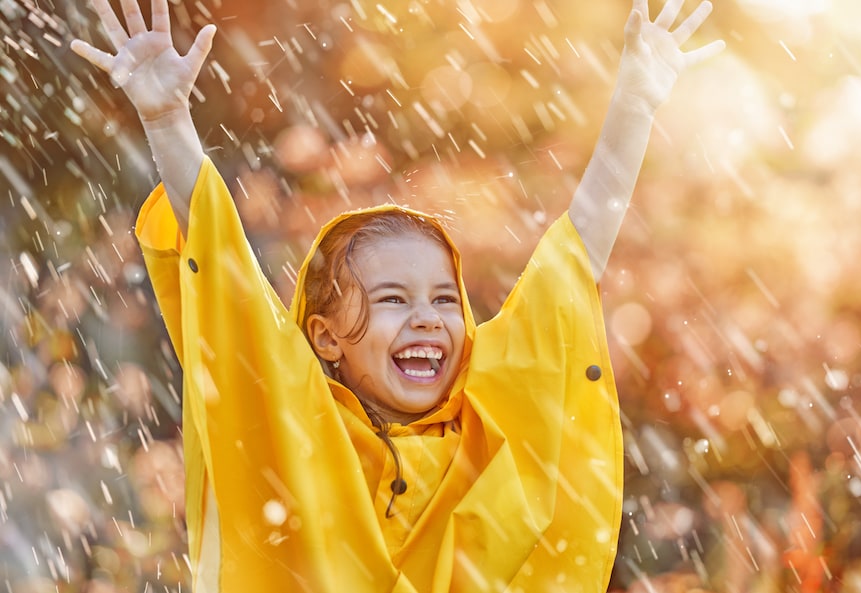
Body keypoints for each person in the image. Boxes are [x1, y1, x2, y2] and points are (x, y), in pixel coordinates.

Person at [71, 0, 724, 590]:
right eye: (392, 300)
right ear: (324, 335)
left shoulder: (490, 411)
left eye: (445, 298)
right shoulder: (294, 412)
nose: (428, 319)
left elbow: (577, 251)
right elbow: (221, 257)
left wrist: (635, 102)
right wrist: (166, 119)